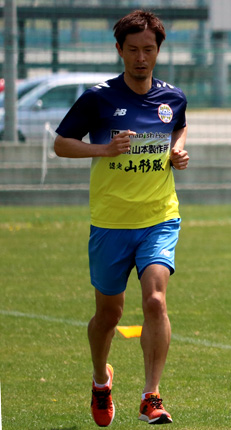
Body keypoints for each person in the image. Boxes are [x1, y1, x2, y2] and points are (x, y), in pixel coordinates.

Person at [54, 9, 189, 427]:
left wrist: (176, 150)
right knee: (108, 316)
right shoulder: (98, 98)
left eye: (148, 49)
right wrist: (104, 150)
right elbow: (61, 144)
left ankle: (151, 395)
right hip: (110, 223)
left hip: (159, 217)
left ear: (158, 51)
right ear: (119, 50)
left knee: (155, 300)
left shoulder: (173, 98)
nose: (141, 58)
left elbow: (178, 127)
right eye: (132, 50)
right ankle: (101, 379)